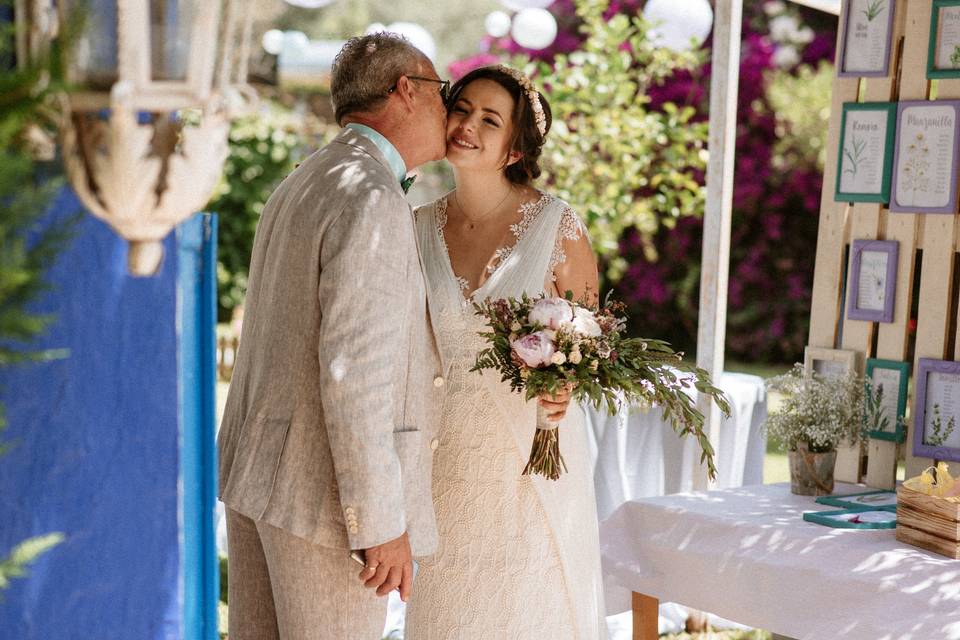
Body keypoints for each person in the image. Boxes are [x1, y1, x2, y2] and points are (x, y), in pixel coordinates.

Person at [216, 33, 449, 640]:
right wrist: (378, 521)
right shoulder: (370, 195)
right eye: (442, 92)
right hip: (321, 503)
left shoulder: (306, 177)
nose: (448, 110)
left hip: (259, 476)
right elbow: (356, 375)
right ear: (407, 91)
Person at [404, 65, 607, 639]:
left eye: (489, 120)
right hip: (447, 463)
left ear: (515, 148)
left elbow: (590, 335)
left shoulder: (557, 225)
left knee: (530, 608)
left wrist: (568, 381)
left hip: (531, 455)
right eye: (461, 109)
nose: (467, 125)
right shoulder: (416, 225)